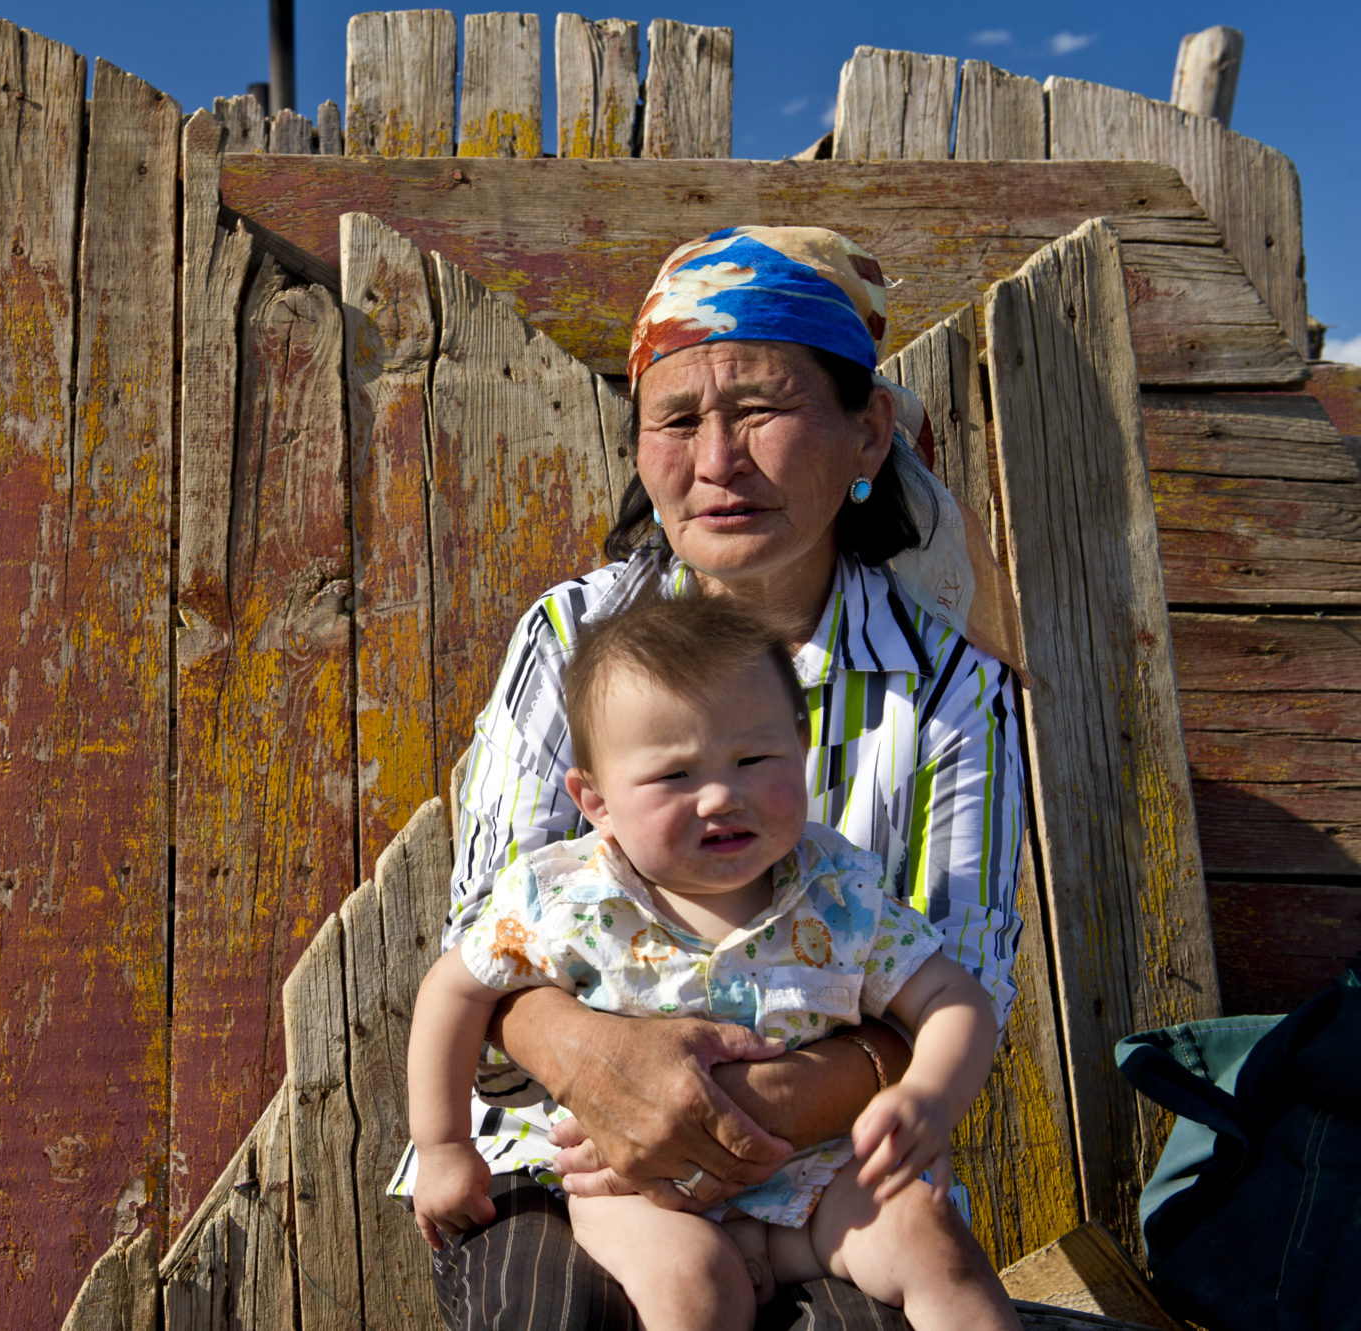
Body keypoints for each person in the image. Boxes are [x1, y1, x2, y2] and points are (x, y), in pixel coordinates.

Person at [386, 226, 1030, 1327]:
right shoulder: (574, 633)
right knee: (551, 1309)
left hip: (824, 1167)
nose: (717, 459)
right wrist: (599, 1062)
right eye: (677, 418)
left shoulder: (947, 691)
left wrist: (735, 1110)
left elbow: (957, 977)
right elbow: (482, 940)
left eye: (761, 411)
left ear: (865, 431)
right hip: (573, 1160)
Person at [405, 590, 1021, 1330]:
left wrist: (928, 1091)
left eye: (755, 758)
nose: (721, 795)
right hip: (639, 1190)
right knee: (696, 1289)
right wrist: (441, 1144)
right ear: (595, 800)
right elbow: (454, 991)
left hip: (815, 1184)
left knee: (929, 1234)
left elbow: (953, 995)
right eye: (675, 776)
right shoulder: (567, 896)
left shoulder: (838, 890)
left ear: (801, 744)